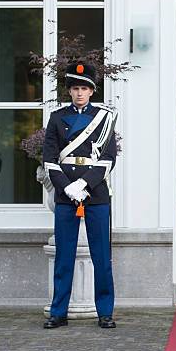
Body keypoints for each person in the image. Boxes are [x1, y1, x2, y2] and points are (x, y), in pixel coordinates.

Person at [42, 63, 118, 329]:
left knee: (101, 257)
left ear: (92, 91)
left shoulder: (104, 118)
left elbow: (109, 159)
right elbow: (49, 160)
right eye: (75, 88)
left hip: (95, 193)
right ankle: (58, 312)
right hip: (66, 195)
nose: (79, 93)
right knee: (64, 257)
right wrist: (67, 186)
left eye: (84, 88)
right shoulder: (56, 117)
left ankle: (105, 312)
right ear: (70, 91)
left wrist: (84, 183)